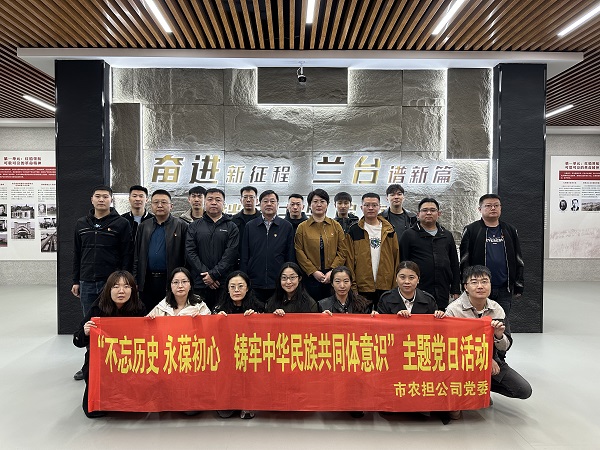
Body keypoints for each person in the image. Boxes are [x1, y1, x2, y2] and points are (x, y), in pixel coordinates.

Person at [445, 265, 532, 419]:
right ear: (465, 287)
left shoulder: (496, 309)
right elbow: (449, 345)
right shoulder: (453, 310)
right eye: (474, 282)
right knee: (455, 414)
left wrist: (498, 336)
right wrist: (485, 359)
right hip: (460, 363)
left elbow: (506, 346)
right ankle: (464, 395)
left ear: (490, 285)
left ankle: (483, 389)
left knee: (523, 390)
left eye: (484, 281)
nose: (480, 286)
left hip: (492, 359)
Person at [71, 185, 132, 380]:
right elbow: (77, 254)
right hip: (87, 282)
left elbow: (127, 254)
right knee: (91, 324)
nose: (101, 200)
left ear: (111, 200)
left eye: (105, 197)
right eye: (98, 196)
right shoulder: (81, 223)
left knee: (114, 324)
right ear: (92, 199)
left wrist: (124, 282)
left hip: (111, 284)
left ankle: (115, 362)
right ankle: (90, 364)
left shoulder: (121, 223)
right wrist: (76, 280)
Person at [73, 270, 146, 418]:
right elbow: (77, 341)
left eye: (126, 286)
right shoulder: (97, 308)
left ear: (133, 289)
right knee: (93, 411)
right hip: (103, 361)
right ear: (108, 289)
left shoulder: (139, 309)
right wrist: (85, 333)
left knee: (138, 408)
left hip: (129, 359)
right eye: (116, 286)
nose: (121, 291)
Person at [460, 194, 524, 324]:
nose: (493, 208)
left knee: (501, 324)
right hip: (479, 288)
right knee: (478, 325)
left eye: (496, 205)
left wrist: (519, 284)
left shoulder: (510, 230)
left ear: (500, 208)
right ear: (480, 209)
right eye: (488, 206)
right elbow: (464, 260)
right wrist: (464, 284)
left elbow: (518, 258)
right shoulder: (471, 230)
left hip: (504, 288)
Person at [213, 270, 262, 419]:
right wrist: (216, 321)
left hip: (249, 355)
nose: (236, 290)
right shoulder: (219, 309)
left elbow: (265, 336)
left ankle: (247, 402)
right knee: (224, 413)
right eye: (232, 286)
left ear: (247, 288)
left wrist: (257, 320)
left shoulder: (258, 307)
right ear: (227, 289)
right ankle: (229, 400)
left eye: (241, 286)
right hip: (227, 357)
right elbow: (211, 337)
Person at [399, 197, 460, 310]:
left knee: (441, 317)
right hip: (418, 288)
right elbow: (402, 263)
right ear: (418, 214)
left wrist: (455, 288)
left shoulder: (446, 235)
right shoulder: (408, 235)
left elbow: (454, 264)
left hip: (442, 288)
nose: (428, 213)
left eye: (432, 210)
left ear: (439, 214)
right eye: (425, 210)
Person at [134, 190, 188, 311]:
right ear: (151, 205)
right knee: (148, 315)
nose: (159, 205)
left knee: (170, 314)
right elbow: (137, 255)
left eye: (164, 202)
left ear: (171, 206)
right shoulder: (144, 226)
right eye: (156, 202)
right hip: (147, 280)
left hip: (171, 280)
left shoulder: (181, 225)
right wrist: (135, 279)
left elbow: (186, 256)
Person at [186, 188, 239, 310]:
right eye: (210, 199)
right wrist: (207, 276)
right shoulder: (194, 226)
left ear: (224, 203)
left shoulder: (231, 227)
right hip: (200, 283)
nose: (214, 202)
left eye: (218, 200)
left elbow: (231, 254)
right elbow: (190, 252)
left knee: (223, 316)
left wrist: (214, 274)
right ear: (205, 202)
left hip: (223, 283)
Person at [345, 193, 399, 310]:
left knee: (385, 319)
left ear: (380, 207)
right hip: (362, 286)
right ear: (361, 207)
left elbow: (396, 258)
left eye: (374, 205)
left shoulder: (389, 230)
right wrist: (353, 286)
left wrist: (395, 285)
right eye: (367, 205)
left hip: (386, 285)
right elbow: (349, 261)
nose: (370, 208)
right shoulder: (354, 230)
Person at [240, 190, 295, 306]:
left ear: (278, 204)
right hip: (255, 282)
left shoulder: (286, 226)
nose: (269, 204)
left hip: (278, 283)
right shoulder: (250, 226)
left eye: (272, 201)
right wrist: (244, 279)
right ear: (259, 204)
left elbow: (290, 256)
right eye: (265, 201)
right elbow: (244, 255)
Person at [295, 189, 346, 301]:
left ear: (327, 204)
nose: (319, 205)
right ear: (310, 205)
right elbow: (299, 251)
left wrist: (332, 271)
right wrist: (313, 271)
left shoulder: (335, 226)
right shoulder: (302, 227)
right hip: (311, 276)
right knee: (312, 306)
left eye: (322, 201)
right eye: (315, 201)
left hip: (332, 275)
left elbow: (343, 251)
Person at [377, 261, 445, 317]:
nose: (407, 282)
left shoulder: (428, 300)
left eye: (411, 278)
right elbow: (381, 325)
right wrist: (397, 318)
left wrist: (439, 315)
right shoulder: (386, 299)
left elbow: (433, 326)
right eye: (402, 277)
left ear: (418, 280)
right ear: (396, 279)